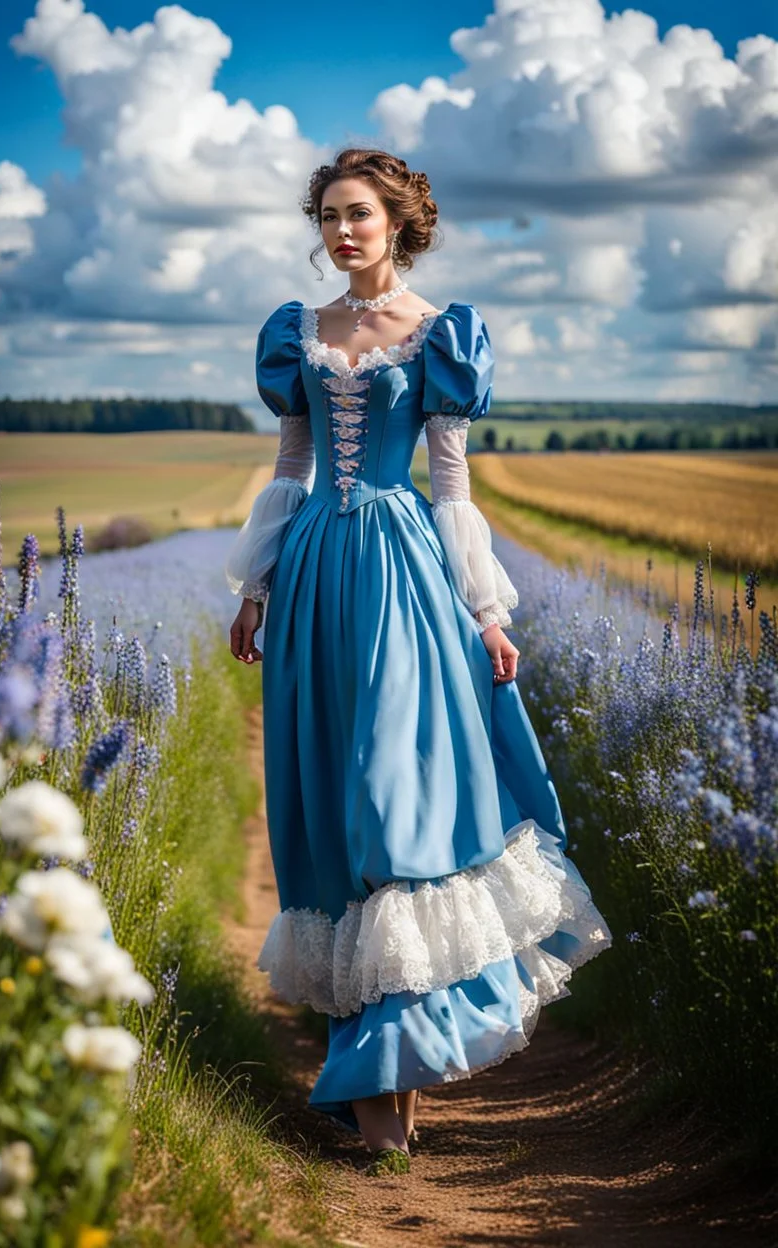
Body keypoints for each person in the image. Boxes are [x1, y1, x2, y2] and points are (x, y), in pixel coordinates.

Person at [226, 148, 612, 1178]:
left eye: (358, 214)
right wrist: (256, 587)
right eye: (327, 216)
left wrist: (486, 610)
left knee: (388, 806)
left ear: (398, 222)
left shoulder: (444, 334)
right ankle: (378, 1094)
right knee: (329, 811)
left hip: (403, 576)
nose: (341, 231)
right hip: (313, 576)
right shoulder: (297, 333)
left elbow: (450, 484)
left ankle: (389, 1072)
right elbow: (292, 466)